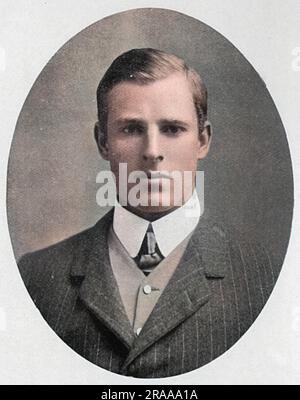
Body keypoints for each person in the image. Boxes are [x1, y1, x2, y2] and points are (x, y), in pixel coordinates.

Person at [18, 48, 278, 378]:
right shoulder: (35, 276)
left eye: (172, 129)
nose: (152, 152)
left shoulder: (264, 278)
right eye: (131, 129)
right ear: (102, 141)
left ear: (202, 140)